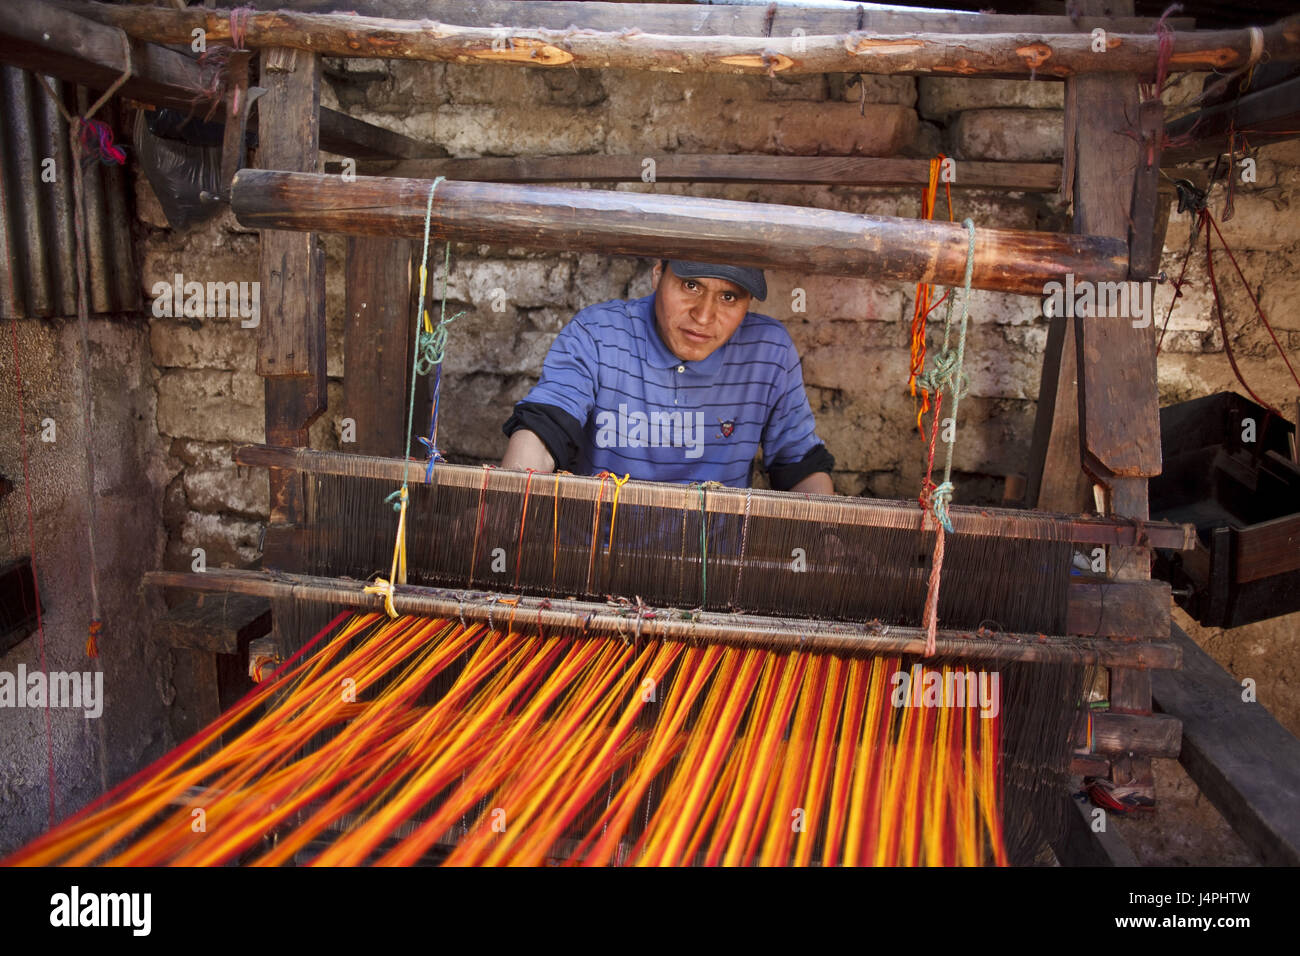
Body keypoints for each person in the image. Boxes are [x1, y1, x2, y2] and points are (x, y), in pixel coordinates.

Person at [501, 259, 834, 493]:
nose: (704, 316)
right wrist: (506, 506)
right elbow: (545, 429)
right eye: (691, 285)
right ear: (658, 275)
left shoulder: (769, 351)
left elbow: (799, 465)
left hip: (711, 567)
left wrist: (828, 537)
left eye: (729, 296)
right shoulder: (597, 334)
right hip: (594, 557)